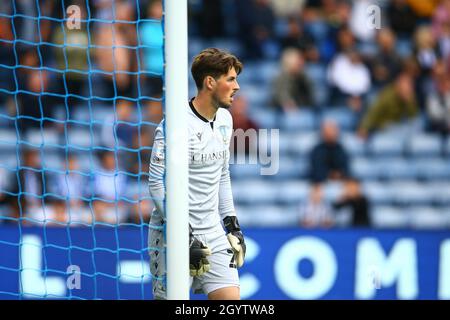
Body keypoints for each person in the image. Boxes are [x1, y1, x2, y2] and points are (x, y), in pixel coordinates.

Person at [148, 48, 246, 300]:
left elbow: (222, 174)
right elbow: (156, 183)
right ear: (210, 82)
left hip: (213, 232)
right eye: (231, 79)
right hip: (174, 234)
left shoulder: (225, 119)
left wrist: (232, 225)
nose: (237, 87)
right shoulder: (175, 125)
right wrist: (184, 233)